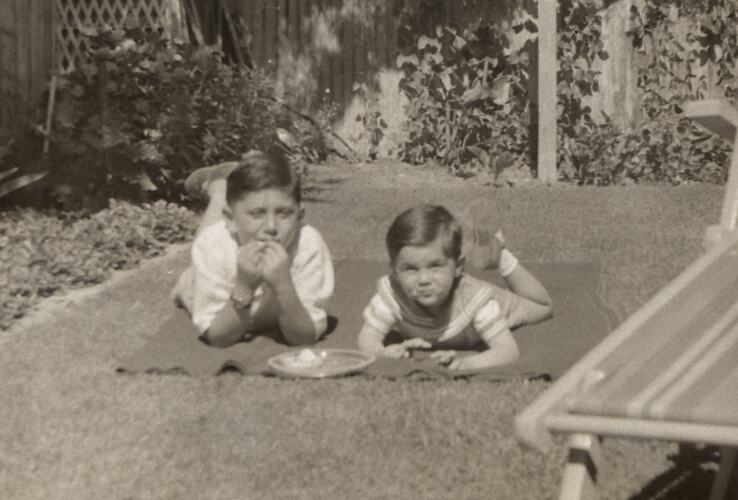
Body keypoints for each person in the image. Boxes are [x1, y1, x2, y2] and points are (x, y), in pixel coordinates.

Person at [357, 204, 552, 371]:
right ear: (394, 271)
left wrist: (468, 363)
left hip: (506, 308)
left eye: (435, 266)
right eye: (410, 269)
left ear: (458, 267)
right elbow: (367, 339)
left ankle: (500, 255)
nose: (424, 279)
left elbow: (508, 351)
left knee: (543, 307)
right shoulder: (391, 294)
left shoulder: (476, 301)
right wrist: (382, 353)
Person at [171, 149, 334, 348]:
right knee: (190, 280)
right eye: (257, 214)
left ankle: (226, 181)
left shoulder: (308, 244)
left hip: (236, 244)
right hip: (209, 276)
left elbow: (304, 337)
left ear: (300, 217)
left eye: (284, 213)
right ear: (229, 220)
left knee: (228, 228)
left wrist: (283, 285)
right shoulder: (212, 245)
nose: (271, 227)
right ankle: (219, 186)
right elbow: (218, 337)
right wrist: (244, 286)